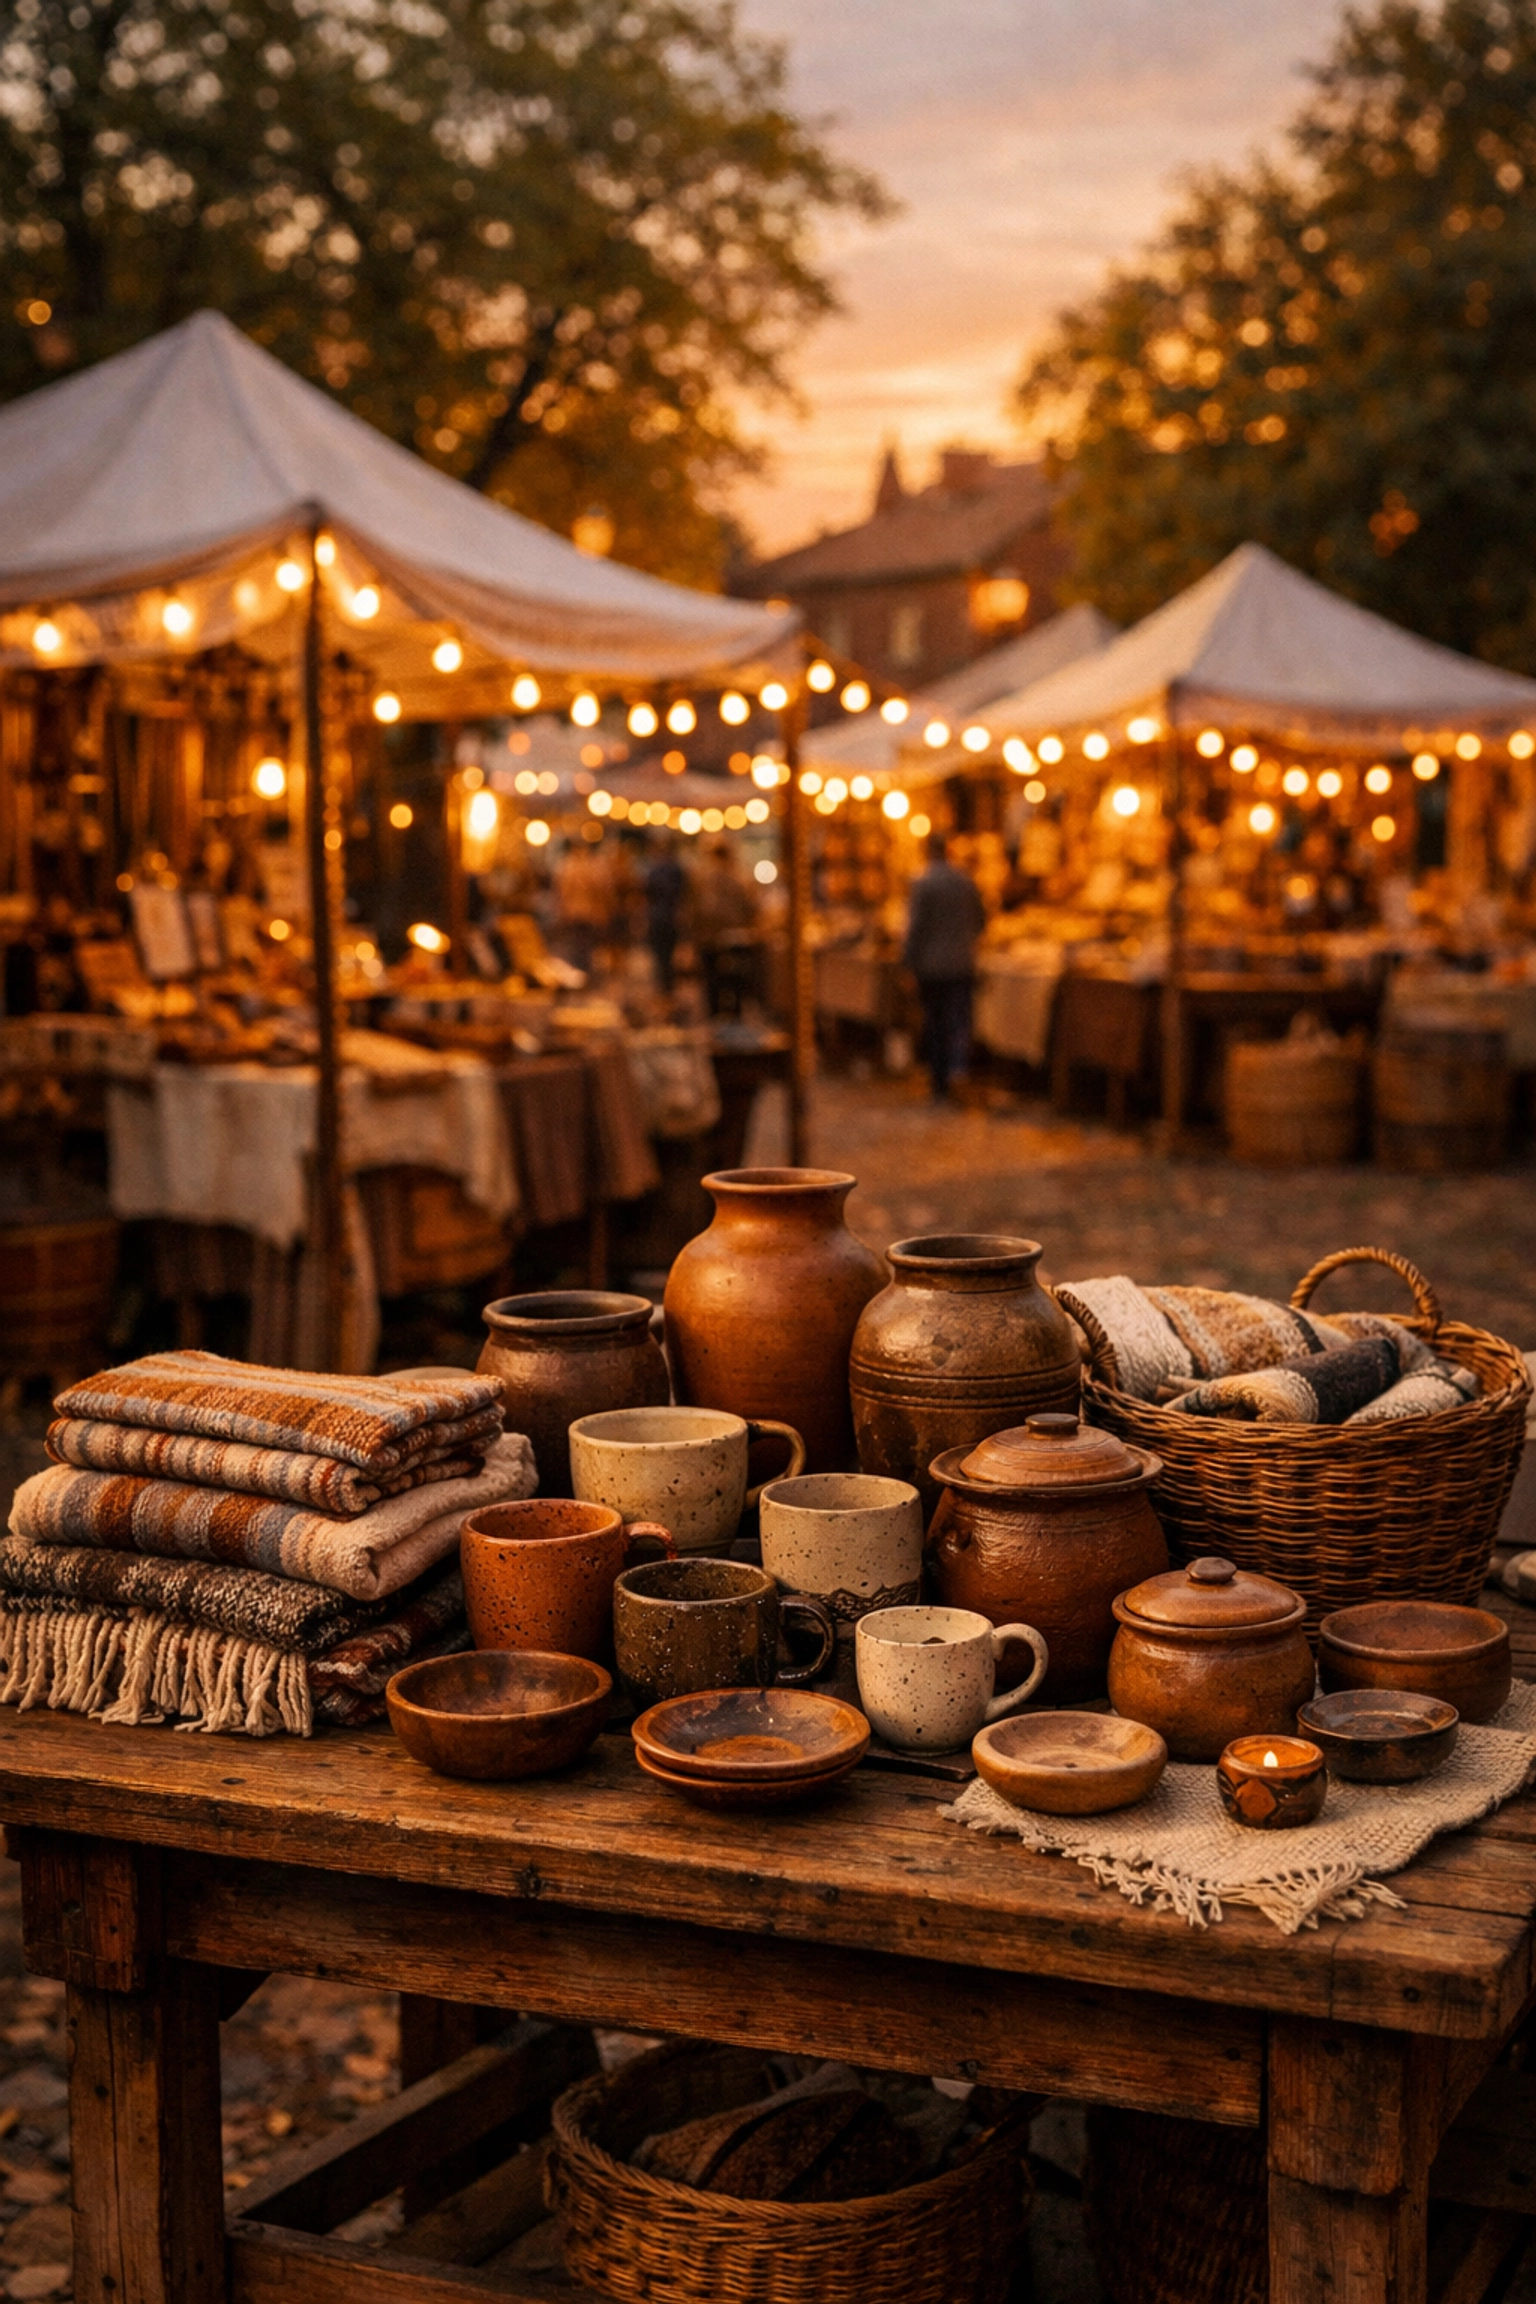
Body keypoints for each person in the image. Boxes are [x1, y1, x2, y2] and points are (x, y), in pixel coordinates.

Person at [901, 832, 985, 1103]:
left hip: (932, 967)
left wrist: (908, 964)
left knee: (935, 1022)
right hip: (962, 963)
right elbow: (981, 920)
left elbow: (915, 929)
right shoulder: (965, 881)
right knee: (959, 1021)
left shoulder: (923, 883)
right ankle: (957, 1071)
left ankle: (939, 1081)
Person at [690, 840, 759, 1015]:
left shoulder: (703, 879)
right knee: (734, 982)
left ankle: (715, 1021)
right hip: (733, 938)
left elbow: (696, 910)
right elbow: (750, 908)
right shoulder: (740, 879)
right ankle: (734, 1021)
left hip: (710, 938)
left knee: (712, 982)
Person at [644, 837, 689, 993]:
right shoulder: (677, 869)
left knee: (661, 956)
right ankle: (668, 987)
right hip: (671, 918)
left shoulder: (654, 870)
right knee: (669, 955)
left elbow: (647, 893)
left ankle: (664, 988)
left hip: (658, 918)